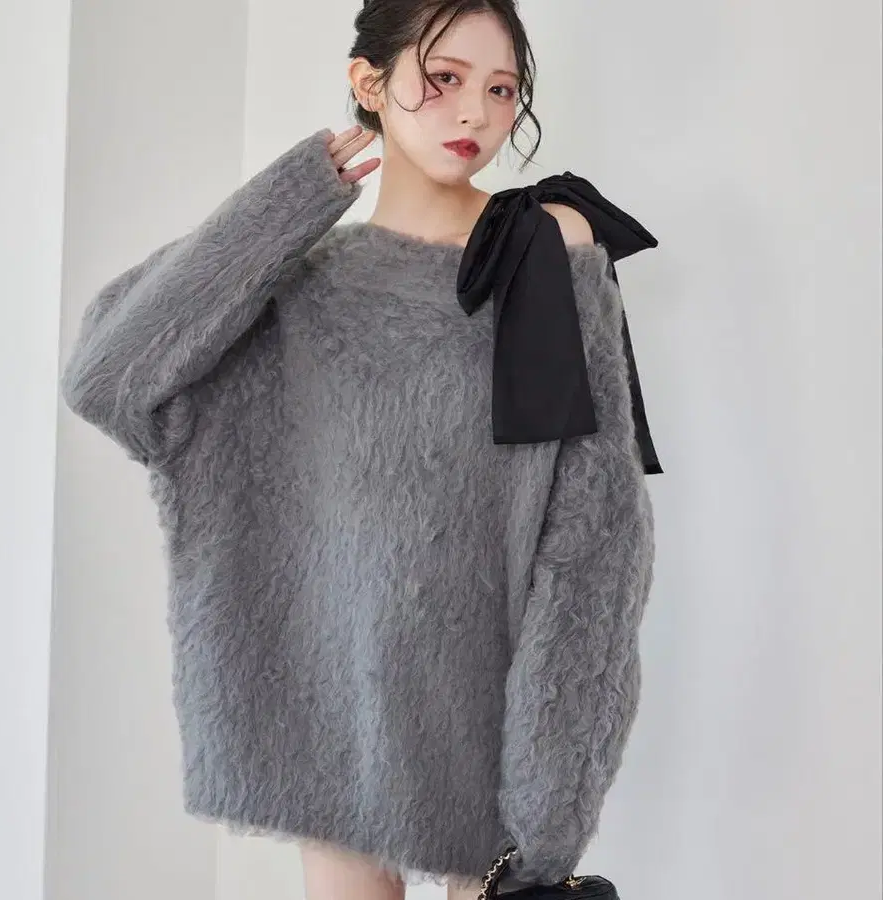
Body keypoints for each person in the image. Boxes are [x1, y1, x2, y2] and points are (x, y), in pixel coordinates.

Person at [60, 1, 659, 899]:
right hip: (327, 713)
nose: (475, 113)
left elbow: (596, 528)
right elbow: (108, 377)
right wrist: (288, 202)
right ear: (368, 83)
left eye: (502, 90)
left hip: (488, 717)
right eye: (444, 78)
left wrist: (552, 792)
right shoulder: (301, 282)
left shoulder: (540, 255)